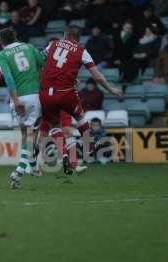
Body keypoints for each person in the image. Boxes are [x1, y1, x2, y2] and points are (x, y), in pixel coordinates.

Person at [40, 26, 122, 174]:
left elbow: (41, 61)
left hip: (46, 93)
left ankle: (66, 156)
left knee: (55, 126)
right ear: (79, 37)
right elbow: (96, 76)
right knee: (80, 117)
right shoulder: (81, 51)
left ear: (66, 35)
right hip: (66, 93)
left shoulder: (53, 44)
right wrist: (110, 89)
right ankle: (89, 146)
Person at [0, 28, 45, 188]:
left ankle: (33, 166)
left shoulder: (2, 56)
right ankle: (19, 171)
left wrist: (15, 100)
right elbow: (43, 62)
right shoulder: (29, 47)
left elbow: (9, 78)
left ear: (1, 40)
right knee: (32, 134)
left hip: (18, 98)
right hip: (34, 96)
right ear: (15, 36)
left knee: (25, 132)